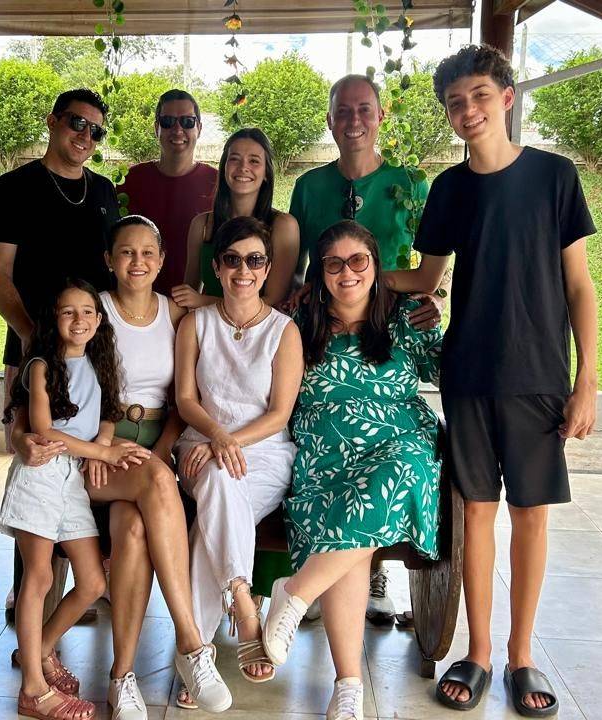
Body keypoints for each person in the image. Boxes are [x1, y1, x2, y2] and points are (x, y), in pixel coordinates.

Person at [386, 45, 599, 717]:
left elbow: (579, 284)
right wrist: (350, 267)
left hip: (539, 374)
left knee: (530, 513)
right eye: (455, 102)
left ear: (506, 98)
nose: (468, 110)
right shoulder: (449, 189)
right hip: (469, 371)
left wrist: (588, 379)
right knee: (476, 511)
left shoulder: (554, 176)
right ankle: (477, 652)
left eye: (479, 95)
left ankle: (520, 655)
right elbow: (426, 278)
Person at [259, 220, 442, 720]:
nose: (347, 272)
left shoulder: (407, 317)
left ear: (375, 266)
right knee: (353, 531)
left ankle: (296, 594)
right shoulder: (299, 323)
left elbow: (448, 367)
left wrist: (441, 312)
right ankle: (348, 686)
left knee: (401, 470)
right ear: (320, 272)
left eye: (358, 260)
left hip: (397, 443)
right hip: (325, 455)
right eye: (334, 263)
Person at [286, 74, 438, 622]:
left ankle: (352, 577)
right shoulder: (309, 187)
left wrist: (393, 295)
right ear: (330, 120)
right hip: (325, 328)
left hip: (388, 326)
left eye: (365, 109)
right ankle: (334, 575)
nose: (354, 120)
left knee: (394, 446)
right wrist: (302, 304)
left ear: (381, 115)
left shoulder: (411, 183)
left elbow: (429, 271)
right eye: (343, 111)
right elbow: (296, 268)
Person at [0, 87, 119, 625]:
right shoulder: (11, 189)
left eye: (95, 131)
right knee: (36, 458)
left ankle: (73, 588)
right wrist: (32, 336)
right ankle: (31, 595)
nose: (85, 136)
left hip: (88, 355)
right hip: (33, 350)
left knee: (75, 471)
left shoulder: (102, 193)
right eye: (76, 123)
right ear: (53, 121)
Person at [93, 215, 232, 718]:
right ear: (109, 260)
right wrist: (105, 446)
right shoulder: (95, 311)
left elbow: (180, 400)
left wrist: (163, 449)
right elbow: (72, 383)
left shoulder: (174, 314)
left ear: (162, 261)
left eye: (148, 252)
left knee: (132, 532)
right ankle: (192, 642)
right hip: (100, 449)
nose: (138, 261)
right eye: (127, 252)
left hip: (155, 447)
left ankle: (121, 678)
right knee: (154, 480)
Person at [0, 279, 150, 720]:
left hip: (71, 480)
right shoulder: (41, 366)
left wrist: (104, 443)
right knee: (39, 577)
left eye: (87, 312)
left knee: (93, 582)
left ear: (99, 320)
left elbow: (106, 415)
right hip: (40, 475)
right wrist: (105, 453)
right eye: (68, 312)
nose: (78, 320)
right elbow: (44, 431)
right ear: (55, 319)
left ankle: (41, 649)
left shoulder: (99, 364)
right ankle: (33, 689)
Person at [174, 216, 303, 706]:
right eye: (232, 260)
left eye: (254, 260)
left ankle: (198, 651)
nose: (243, 270)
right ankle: (245, 607)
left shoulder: (283, 331)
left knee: (212, 514)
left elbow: (279, 414)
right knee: (218, 481)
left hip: (265, 454)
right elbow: (186, 399)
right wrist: (216, 437)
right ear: (217, 266)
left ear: (267, 268)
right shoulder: (196, 323)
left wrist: (227, 442)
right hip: (200, 446)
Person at [173, 129, 299, 310]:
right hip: (207, 324)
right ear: (224, 167)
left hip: (260, 326)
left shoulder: (283, 226)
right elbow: (187, 296)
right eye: (234, 159)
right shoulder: (202, 225)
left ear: (266, 172)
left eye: (254, 161)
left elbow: (274, 300)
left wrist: (203, 301)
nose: (243, 167)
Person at [116, 89, 218, 294]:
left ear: (199, 128)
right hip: (136, 298)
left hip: (197, 301)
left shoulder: (217, 183)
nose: (178, 130)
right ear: (157, 128)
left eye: (187, 122)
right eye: (168, 121)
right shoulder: (131, 180)